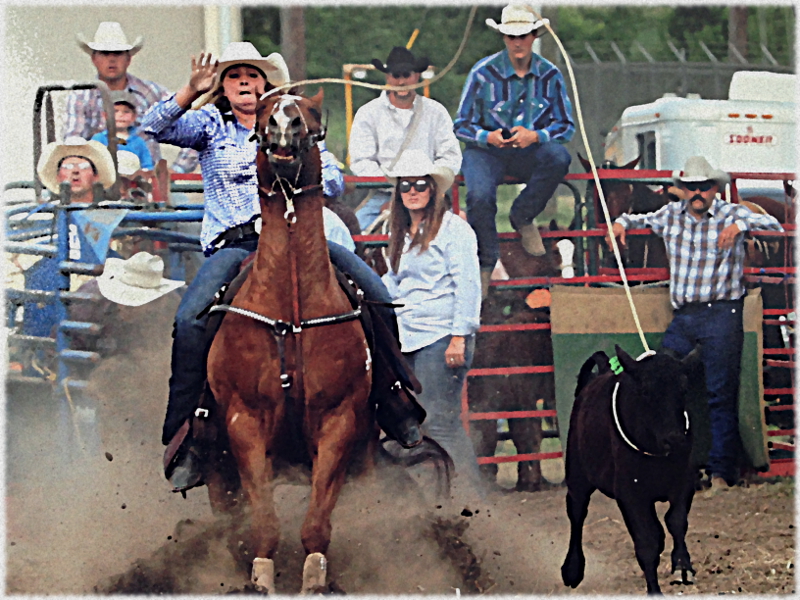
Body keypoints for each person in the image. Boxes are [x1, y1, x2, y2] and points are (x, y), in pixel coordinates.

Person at [140, 42, 422, 491]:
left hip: (301, 242)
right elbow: (151, 127)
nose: (245, 84)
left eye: (252, 76)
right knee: (190, 320)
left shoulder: (291, 122)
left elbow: (334, 176)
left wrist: (295, 155)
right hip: (236, 246)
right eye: (234, 77)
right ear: (224, 86)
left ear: (265, 83)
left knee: (377, 295)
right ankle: (188, 432)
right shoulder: (211, 124)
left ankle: (393, 400)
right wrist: (189, 91)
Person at [606, 156, 784, 491]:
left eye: (704, 186)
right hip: (685, 316)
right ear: (683, 189)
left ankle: (720, 472)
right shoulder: (670, 214)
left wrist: (741, 227)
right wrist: (619, 224)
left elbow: (774, 225)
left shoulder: (732, 213)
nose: (698, 192)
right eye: (691, 187)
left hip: (722, 312)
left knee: (719, 392)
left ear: (715, 188)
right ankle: (673, 466)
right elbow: (635, 218)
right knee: (661, 379)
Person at [381, 150, 484, 501]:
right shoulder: (399, 233)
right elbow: (394, 284)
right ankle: (450, 497)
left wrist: (459, 336)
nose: (412, 191)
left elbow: (468, 285)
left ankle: (474, 501)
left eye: (420, 185)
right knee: (426, 423)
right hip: (410, 336)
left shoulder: (455, 231)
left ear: (433, 189)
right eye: (406, 185)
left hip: (442, 336)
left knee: (441, 421)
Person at [454, 3, 574, 298]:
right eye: (511, 36)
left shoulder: (551, 75)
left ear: (534, 36)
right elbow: (461, 124)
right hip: (487, 151)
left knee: (559, 157)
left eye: (523, 35)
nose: (517, 42)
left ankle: (523, 214)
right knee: (479, 195)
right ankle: (485, 262)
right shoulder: (483, 72)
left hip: (529, 151)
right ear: (504, 38)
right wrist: (488, 136)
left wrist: (536, 136)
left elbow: (566, 126)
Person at [349, 46, 462, 231]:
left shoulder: (436, 112)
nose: (401, 81)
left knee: (462, 231)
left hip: (429, 194)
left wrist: (426, 185)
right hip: (384, 195)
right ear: (387, 77)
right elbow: (361, 160)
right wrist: (396, 188)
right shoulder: (368, 113)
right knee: (352, 238)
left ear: (416, 76)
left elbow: (450, 155)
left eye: (406, 75)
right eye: (396, 75)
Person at [65, 21, 198, 173]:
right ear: (94, 59)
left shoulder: (152, 93)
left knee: (180, 198)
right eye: (104, 53)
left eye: (118, 54)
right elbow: (73, 144)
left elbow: (193, 129)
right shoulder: (80, 97)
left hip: (148, 184)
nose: (112, 60)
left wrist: (176, 171)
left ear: (129, 59)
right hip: (98, 184)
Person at [37, 136, 116, 205]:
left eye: (84, 166)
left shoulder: (110, 214)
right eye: (67, 167)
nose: (75, 171)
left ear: (96, 176)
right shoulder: (47, 214)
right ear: (58, 177)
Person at [91, 90, 154, 170]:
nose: (120, 115)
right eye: (115, 111)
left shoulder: (138, 142)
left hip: (132, 180)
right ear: (105, 115)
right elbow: (92, 163)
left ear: (134, 117)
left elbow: (147, 166)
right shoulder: (99, 139)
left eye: (126, 112)